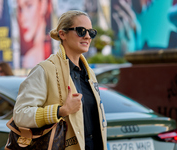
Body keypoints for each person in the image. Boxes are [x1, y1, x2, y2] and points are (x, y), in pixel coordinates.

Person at [13, 10, 107, 150]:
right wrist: (60, 111)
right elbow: (20, 114)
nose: (87, 36)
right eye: (81, 31)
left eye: (91, 32)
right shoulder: (45, 70)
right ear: (62, 34)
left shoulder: (90, 73)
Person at [17, 0, 52, 68]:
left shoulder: (30, 58)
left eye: (29, 6)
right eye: (21, 9)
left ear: (43, 5)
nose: (23, 18)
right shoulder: (29, 58)